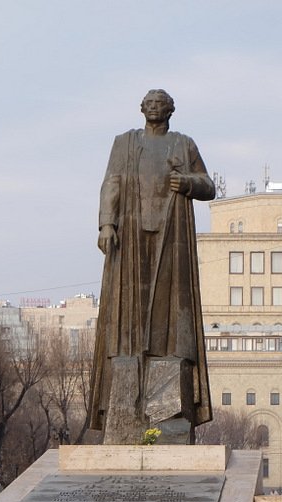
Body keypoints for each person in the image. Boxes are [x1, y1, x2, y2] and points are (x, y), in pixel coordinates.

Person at [89, 89, 216, 445]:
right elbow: (110, 183)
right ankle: (131, 392)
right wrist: (107, 224)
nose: (155, 107)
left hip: (171, 233)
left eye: (161, 103)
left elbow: (209, 186)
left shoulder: (183, 144)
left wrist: (188, 182)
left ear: (170, 110)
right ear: (142, 109)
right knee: (128, 312)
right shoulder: (125, 144)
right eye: (150, 103)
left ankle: (167, 407)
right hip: (130, 234)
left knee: (170, 311)